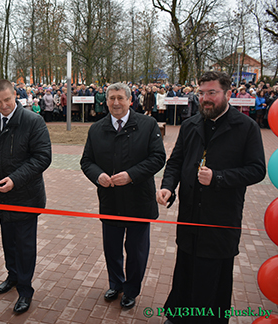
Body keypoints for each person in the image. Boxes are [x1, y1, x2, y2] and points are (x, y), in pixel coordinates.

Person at [156, 71, 265, 324]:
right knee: (184, 270)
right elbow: (176, 162)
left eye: (211, 93)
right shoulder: (190, 124)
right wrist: (168, 186)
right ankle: (177, 316)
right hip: (190, 217)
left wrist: (218, 178)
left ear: (228, 93)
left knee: (212, 278)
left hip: (220, 220)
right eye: (201, 92)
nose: (205, 98)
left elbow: (257, 169)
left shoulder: (246, 127)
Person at [80, 82, 166, 310]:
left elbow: (158, 157)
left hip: (139, 200)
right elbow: (86, 161)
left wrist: (131, 175)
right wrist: (97, 175)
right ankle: (116, 284)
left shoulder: (147, 125)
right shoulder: (96, 128)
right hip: (110, 200)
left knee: (137, 251)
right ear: (105, 101)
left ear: (130, 100)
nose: (116, 103)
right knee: (112, 248)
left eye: (120, 98)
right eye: (111, 98)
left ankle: (131, 290)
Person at [0, 79, 52, 314]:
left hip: (26, 195)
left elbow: (42, 157)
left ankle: (25, 289)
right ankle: (12, 275)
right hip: (0, 194)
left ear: (15, 97)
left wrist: (16, 179)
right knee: (8, 240)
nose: (3, 106)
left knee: (25, 245)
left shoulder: (33, 121)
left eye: (7, 100)